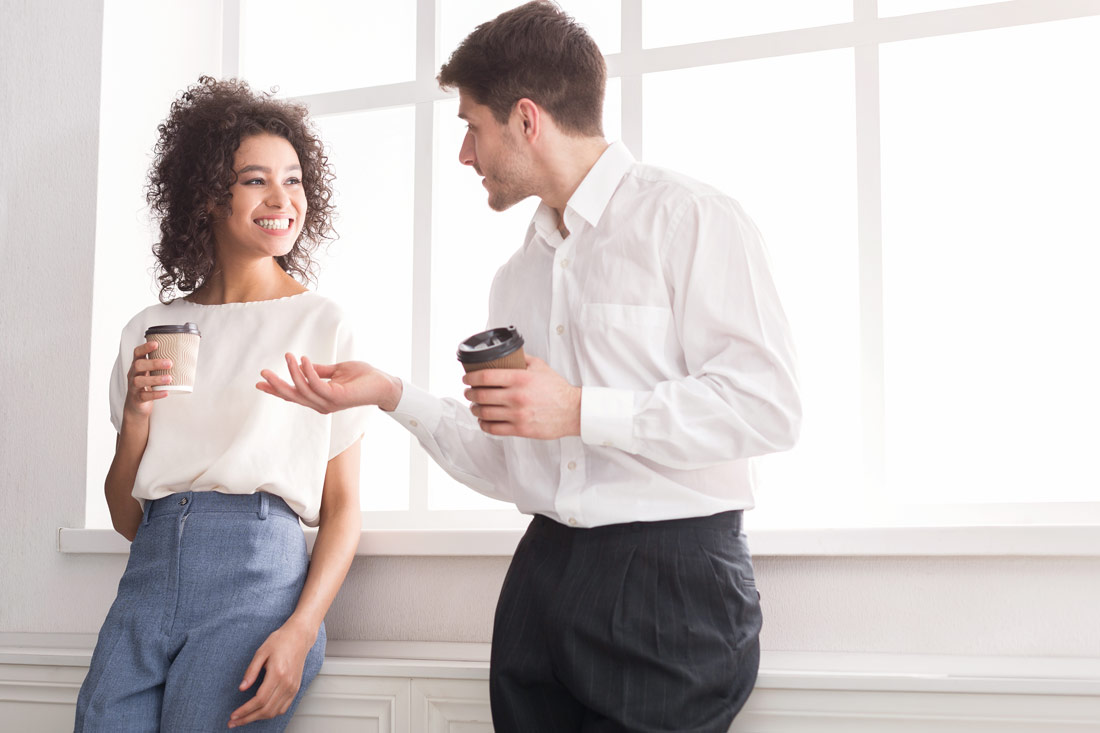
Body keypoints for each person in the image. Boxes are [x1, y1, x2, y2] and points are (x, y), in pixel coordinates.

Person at [259, 2, 801, 730]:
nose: (465, 155)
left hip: (673, 583)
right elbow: (511, 464)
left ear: (525, 119)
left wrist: (577, 408)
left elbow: (767, 406)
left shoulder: (692, 221)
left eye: (471, 127)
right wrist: (392, 395)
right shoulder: (516, 279)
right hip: (541, 578)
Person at [75, 76, 366, 732]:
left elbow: (344, 507)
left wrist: (301, 629)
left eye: (293, 180)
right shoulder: (149, 330)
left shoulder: (321, 324)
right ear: (208, 194)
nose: (282, 199)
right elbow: (126, 515)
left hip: (257, 585)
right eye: (256, 180)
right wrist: (135, 419)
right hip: (148, 579)